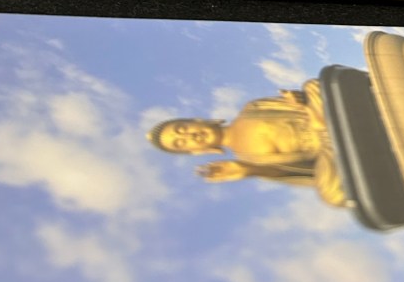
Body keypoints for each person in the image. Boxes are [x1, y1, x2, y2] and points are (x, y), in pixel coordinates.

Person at [147, 78, 346, 207]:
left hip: (328, 118)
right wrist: (250, 170)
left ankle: (326, 128)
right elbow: (294, 173)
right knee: (332, 194)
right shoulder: (247, 159)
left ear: (197, 120)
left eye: (182, 128)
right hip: (331, 151)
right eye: (181, 143)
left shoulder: (253, 108)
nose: (189, 136)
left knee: (313, 86)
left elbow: (305, 100)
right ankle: (328, 133)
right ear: (198, 152)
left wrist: (300, 100)